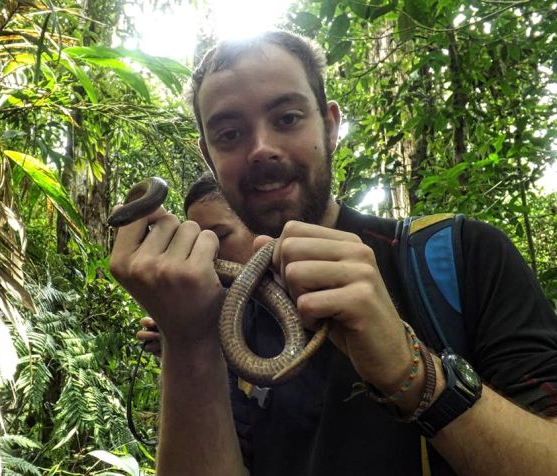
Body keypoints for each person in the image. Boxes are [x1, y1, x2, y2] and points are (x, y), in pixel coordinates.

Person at [110, 31, 557, 476]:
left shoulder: (461, 256)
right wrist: (187, 341)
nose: (261, 148)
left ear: (329, 125)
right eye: (230, 134)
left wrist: (413, 373)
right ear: (209, 157)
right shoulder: (223, 321)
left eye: (286, 118)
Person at [136, 172, 255, 356]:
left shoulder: (297, 284)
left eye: (220, 235)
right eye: (198, 240)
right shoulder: (217, 303)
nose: (208, 250)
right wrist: (177, 341)